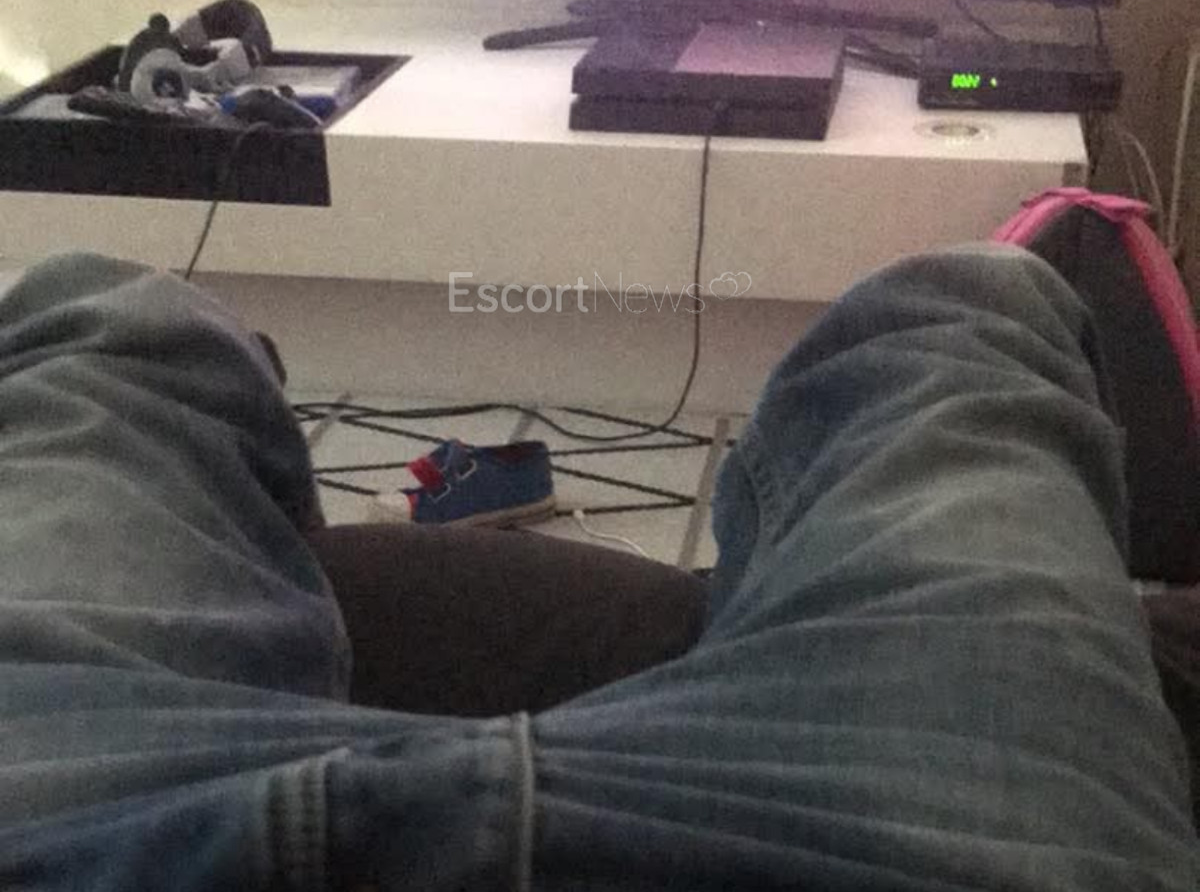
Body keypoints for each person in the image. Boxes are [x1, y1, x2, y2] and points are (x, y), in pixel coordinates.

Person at [0, 248, 1195, 890]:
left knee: (106, 319)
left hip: (84, 828)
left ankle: (265, 572)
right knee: (960, 314)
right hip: (909, 846)